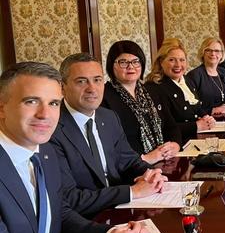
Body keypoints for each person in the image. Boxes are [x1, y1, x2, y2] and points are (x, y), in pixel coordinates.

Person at [0, 62, 147, 233]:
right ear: (2, 108)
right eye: (31, 101)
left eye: (54, 103)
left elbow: (59, 215)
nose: (45, 114)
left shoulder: (43, 151)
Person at [49, 53, 166, 217]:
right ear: (62, 87)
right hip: (85, 220)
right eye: (81, 81)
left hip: (122, 211)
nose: (92, 88)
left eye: (97, 80)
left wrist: (151, 174)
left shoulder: (108, 117)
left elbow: (129, 161)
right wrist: (131, 192)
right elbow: (70, 198)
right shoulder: (51, 128)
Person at [102, 40, 181, 164]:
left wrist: (175, 145)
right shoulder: (104, 98)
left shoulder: (152, 91)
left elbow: (171, 127)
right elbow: (110, 145)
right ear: (111, 65)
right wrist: (147, 158)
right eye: (123, 62)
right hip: (133, 168)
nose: (131, 67)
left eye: (135, 62)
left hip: (165, 161)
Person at [144, 38, 216, 142]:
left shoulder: (187, 81)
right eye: (172, 60)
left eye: (182, 60)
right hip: (176, 145)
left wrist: (207, 118)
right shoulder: (154, 87)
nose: (178, 65)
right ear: (161, 62)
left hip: (196, 139)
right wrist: (195, 126)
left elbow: (197, 108)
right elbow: (162, 127)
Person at [186, 37, 225, 117]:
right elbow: (191, 104)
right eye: (208, 50)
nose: (213, 54)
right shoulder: (194, 75)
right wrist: (212, 110)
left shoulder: (223, 72)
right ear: (203, 53)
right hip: (206, 119)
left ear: (222, 54)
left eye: (217, 51)